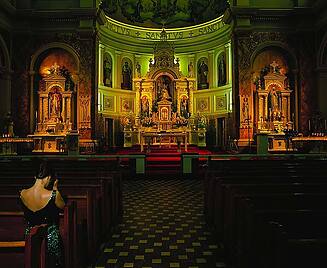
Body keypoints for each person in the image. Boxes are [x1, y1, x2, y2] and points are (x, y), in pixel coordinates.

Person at [20, 161, 65, 267]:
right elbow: (63, 206)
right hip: (50, 238)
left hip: (30, 237)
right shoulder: (54, 195)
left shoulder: (22, 194)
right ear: (49, 177)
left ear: (35, 176)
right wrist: (55, 188)